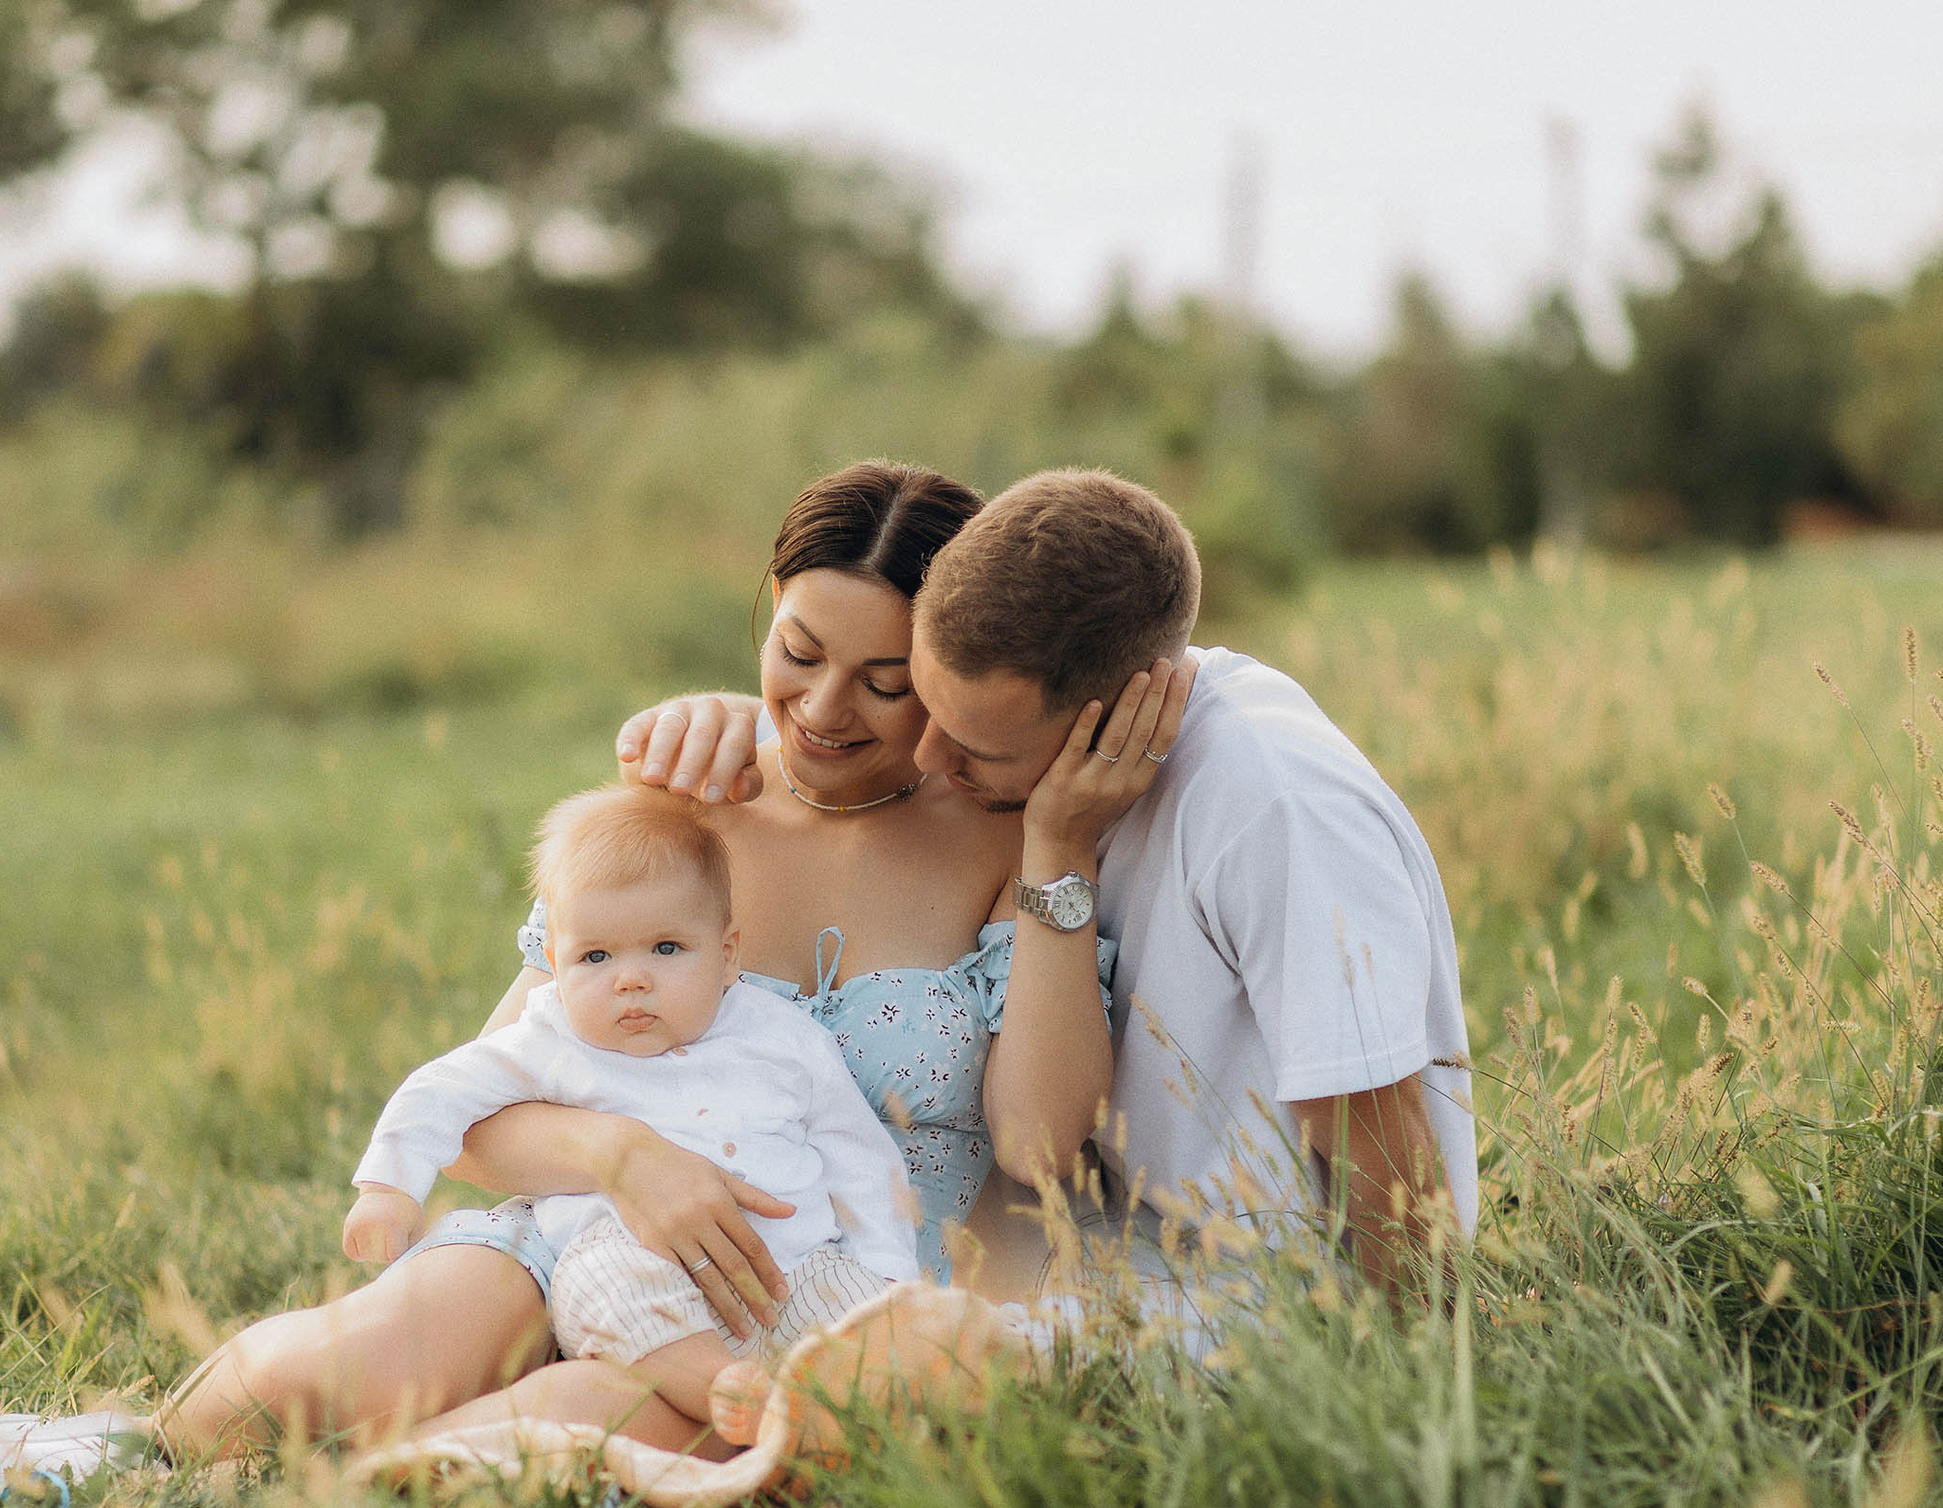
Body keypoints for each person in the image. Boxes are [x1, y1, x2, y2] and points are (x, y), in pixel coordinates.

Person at [0, 461, 1182, 1488]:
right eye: (796, 652)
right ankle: (123, 1447)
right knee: (350, 1366)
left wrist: (1060, 851)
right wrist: (620, 1156)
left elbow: (1043, 1145)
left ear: (947, 671)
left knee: (542, 1448)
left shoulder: (1012, 849)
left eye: (886, 680)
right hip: (559, 1235)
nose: (826, 710)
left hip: (792, 1306)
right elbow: (483, 1113)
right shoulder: (680, 812)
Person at [623, 469, 1476, 1302]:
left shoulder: (1274, 808)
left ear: (1102, 717)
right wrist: (746, 724)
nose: (931, 764)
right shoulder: (1052, 733)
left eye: (963, 740)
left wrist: (1422, 1386)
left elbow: (1374, 1129)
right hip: (1100, 1266)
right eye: (922, 701)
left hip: (1255, 1299)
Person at [345, 784, 918, 1440]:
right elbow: (441, 1089)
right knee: (599, 1283)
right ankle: (721, 1386)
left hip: (787, 1267)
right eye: (596, 956)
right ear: (555, 965)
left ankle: (854, 1405)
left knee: (869, 1314)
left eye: (666, 948)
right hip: (635, 1258)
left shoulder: (781, 1038)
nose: (631, 978)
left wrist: (892, 1275)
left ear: (728, 953)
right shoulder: (552, 1038)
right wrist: (387, 1189)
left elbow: (859, 1158)